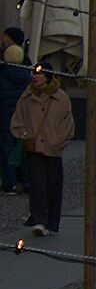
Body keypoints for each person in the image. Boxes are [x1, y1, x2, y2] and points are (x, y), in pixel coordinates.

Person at [11, 61, 71, 236]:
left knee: (53, 185)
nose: (35, 76)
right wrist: (25, 135)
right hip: (34, 147)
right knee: (37, 185)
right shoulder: (27, 96)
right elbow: (17, 120)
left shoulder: (61, 98)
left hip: (53, 147)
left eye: (39, 73)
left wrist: (59, 140)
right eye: (34, 73)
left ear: (48, 76)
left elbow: (68, 123)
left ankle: (51, 222)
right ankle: (39, 220)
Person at [0, 42, 29, 197]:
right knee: (21, 151)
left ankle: (10, 183)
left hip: (5, 119)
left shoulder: (2, 75)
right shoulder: (27, 76)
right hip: (22, 119)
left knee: (6, 152)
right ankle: (25, 180)